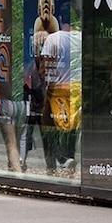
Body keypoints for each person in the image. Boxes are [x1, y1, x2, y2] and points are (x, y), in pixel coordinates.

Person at [40, 16, 81, 176]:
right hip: (77, 88)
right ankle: (69, 162)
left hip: (57, 88)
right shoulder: (81, 38)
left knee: (48, 125)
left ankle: (56, 163)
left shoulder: (53, 38)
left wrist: (46, 88)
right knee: (71, 128)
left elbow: (46, 67)